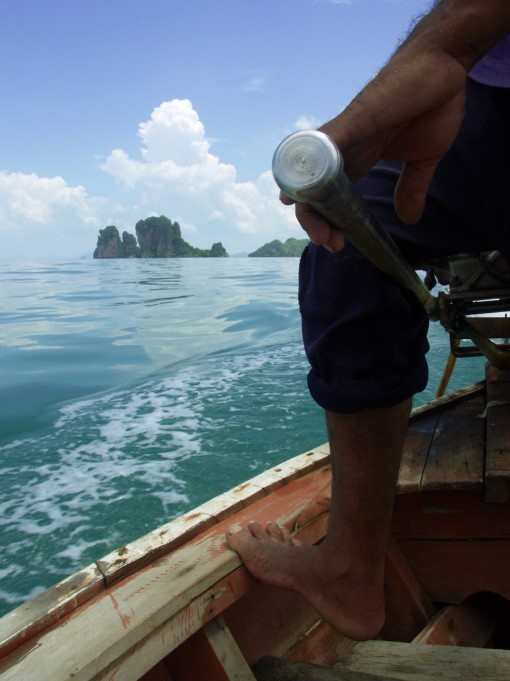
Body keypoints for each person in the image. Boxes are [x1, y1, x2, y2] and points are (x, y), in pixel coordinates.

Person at [227, 0, 510, 640]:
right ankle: (353, 571)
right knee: (351, 242)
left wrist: (442, 53)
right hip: (493, 97)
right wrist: (448, 56)